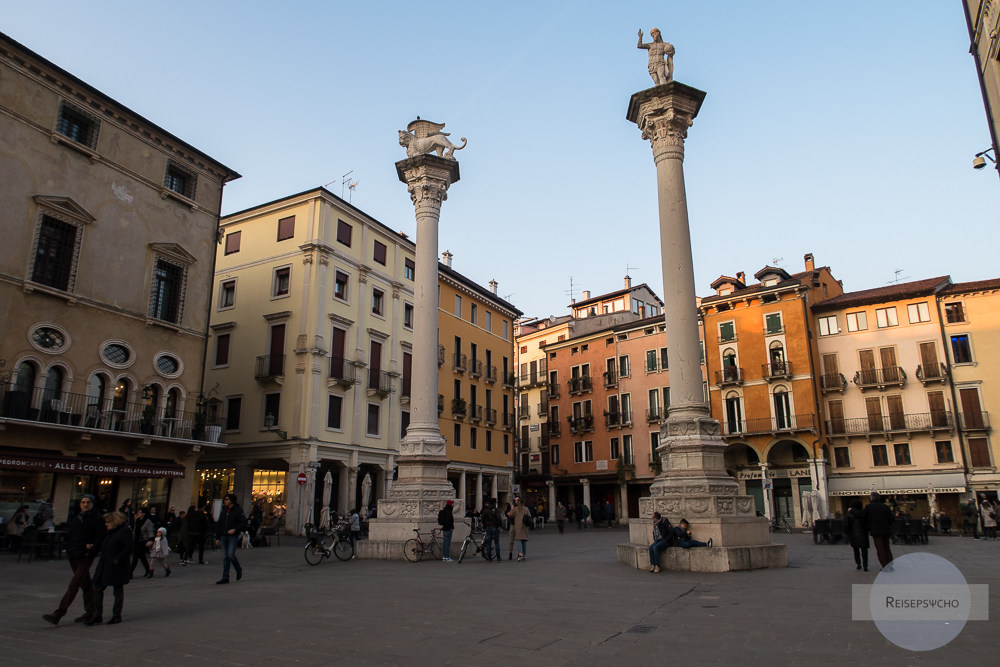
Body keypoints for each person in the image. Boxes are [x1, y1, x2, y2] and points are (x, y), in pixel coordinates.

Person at [43, 494, 106, 625]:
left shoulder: (97, 519)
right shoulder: (76, 518)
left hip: (86, 555)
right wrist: (69, 549)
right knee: (86, 584)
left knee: (74, 584)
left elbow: (100, 537)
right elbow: (70, 535)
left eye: (88, 502)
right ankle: (90, 611)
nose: (86, 504)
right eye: (83, 502)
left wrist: (91, 550)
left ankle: (59, 613)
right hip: (74, 554)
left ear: (93, 504)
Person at [89, 511, 132, 626]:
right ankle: (97, 615)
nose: (106, 524)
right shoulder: (111, 532)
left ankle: (116, 615)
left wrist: (117, 559)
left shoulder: (124, 531)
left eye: (108, 522)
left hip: (116, 565)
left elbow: (128, 547)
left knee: (117, 590)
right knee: (97, 587)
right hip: (105, 564)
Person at [215, 493, 246, 584]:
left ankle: (238, 569)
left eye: (227, 499)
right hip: (224, 535)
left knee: (230, 554)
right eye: (224, 499)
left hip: (233, 535)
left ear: (231, 500)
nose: (225, 501)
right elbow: (219, 524)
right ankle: (225, 577)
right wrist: (217, 537)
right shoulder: (224, 511)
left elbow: (243, 522)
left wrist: (235, 529)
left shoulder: (238, 510)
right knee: (225, 557)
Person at [863, 492, 894, 569]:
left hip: (875, 531)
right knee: (887, 547)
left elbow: (863, 517)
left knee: (880, 549)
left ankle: (884, 565)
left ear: (871, 498)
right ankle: (890, 564)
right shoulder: (885, 507)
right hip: (886, 530)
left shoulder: (869, 507)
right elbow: (892, 519)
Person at [844, 499, 869, 572]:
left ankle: (858, 564)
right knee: (864, 551)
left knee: (856, 550)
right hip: (863, 534)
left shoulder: (849, 514)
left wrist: (847, 533)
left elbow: (846, 525)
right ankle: (865, 566)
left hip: (854, 534)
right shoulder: (863, 513)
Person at [130, 507, 155, 579]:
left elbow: (150, 531)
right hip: (136, 540)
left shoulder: (148, 521)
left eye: (140, 512)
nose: (138, 513)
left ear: (144, 513)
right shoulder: (137, 520)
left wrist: (151, 540)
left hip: (143, 541)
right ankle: (148, 570)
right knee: (141, 556)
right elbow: (135, 530)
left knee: (135, 557)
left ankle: (130, 573)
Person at [506, 496, 531, 561]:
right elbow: (529, 516)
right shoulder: (526, 508)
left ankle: (520, 554)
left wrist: (511, 509)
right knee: (524, 541)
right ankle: (524, 555)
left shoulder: (516, 509)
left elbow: (510, 514)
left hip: (518, 526)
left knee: (519, 540)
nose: (515, 501)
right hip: (525, 526)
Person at [480, 498, 502, 562]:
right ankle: (498, 557)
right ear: (494, 503)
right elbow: (499, 519)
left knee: (488, 543)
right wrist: (499, 526)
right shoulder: (496, 510)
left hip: (488, 527)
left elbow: (482, 519)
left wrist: (485, 525)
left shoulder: (486, 510)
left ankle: (489, 557)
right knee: (496, 543)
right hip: (495, 527)